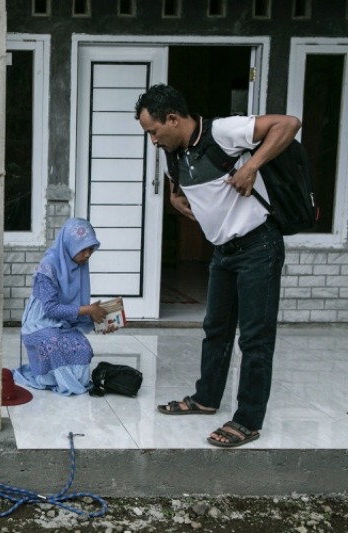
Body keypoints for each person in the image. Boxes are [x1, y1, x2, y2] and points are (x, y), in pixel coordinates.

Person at [134, 84, 301, 447]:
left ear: (173, 119)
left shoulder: (222, 131)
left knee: (255, 337)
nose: (152, 140)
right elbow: (180, 190)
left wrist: (252, 167)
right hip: (223, 252)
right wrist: (178, 201)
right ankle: (206, 399)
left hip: (259, 244)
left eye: (153, 131)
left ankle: (248, 420)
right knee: (216, 329)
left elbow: (288, 123)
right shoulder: (173, 152)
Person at [13, 218, 118, 396]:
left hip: (63, 323)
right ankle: (49, 378)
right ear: (69, 244)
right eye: (82, 248)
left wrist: (98, 323)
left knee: (83, 347)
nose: (87, 254)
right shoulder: (48, 267)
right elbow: (51, 309)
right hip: (38, 324)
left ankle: (73, 381)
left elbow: (76, 307)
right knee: (53, 343)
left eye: (91, 248)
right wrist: (88, 310)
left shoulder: (79, 266)